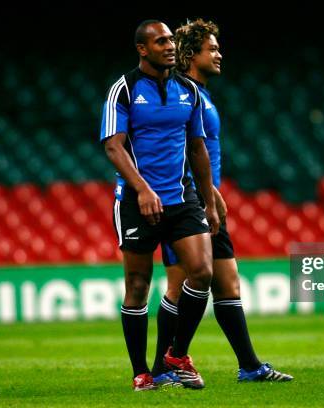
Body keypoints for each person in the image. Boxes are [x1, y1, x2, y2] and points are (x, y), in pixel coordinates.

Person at [149, 18, 293, 386]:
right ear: (189, 54)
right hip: (184, 202)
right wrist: (209, 194)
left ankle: (249, 366)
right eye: (211, 48)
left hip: (206, 202)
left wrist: (212, 195)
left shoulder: (202, 94)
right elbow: (176, 150)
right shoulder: (179, 94)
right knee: (178, 287)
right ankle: (163, 367)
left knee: (228, 284)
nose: (218, 54)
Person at [99, 19, 220, 390]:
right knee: (138, 285)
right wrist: (143, 190)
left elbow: (197, 148)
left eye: (170, 40)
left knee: (201, 273)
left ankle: (176, 354)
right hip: (137, 203)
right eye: (161, 41)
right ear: (142, 49)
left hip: (182, 199)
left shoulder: (189, 91)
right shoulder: (123, 89)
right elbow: (113, 146)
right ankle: (141, 373)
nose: (170, 46)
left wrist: (210, 200)